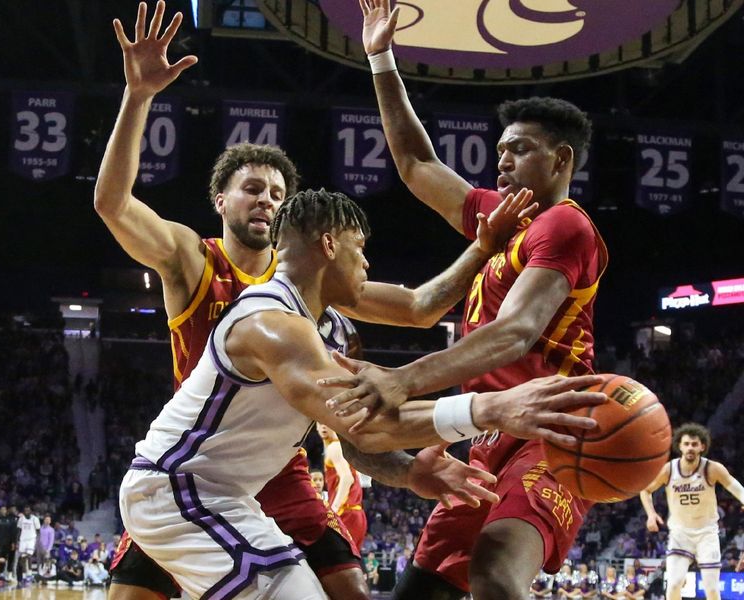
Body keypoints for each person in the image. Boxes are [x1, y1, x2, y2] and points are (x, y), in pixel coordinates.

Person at [97, 3, 549, 600]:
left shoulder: (327, 314)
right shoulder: (203, 268)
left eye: (277, 192)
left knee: (340, 590)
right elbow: (112, 204)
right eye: (252, 188)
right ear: (221, 200)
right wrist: (137, 96)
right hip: (196, 465)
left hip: (270, 467)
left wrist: (483, 248)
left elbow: (417, 309)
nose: (265, 199)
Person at [118, 188, 606, 599]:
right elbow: (366, 425)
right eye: (361, 247)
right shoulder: (270, 324)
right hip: (175, 489)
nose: (367, 261)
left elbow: (356, 439)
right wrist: (490, 408)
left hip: (225, 496)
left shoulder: (325, 329)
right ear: (329, 245)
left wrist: (411, 470)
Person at [319, 3, 608, 599]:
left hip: (547, 430)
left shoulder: (563, 226)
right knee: (420, 591)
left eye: (520, 149)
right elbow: (416, 162)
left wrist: (403, 380)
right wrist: (380, 58)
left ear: (561, 159)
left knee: (496, 577)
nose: (502, 160)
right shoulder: (496, 221)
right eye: (500, 149)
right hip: (485, 435)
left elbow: (514, 332)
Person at [640, 423, 744, 600]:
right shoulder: (668, 469)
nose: (690, 448)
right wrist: (651, 514)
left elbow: (737, 488)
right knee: (673, 585)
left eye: (694, 444)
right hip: (680, 534)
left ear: (702, 447)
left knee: (712, 590)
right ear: (679, 446)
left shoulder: (712, 468)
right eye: (686, 444)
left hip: (707, 534)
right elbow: (645, 490)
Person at [317, 422, 368, 550]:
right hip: (355, 513)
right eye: (319, 423)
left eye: (326, 422)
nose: (323, 426)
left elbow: (347, 478)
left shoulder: (334, 447)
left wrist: (333, 508)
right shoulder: (340, 447)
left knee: (335, 561)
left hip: (345, 511)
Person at [11, 506, 39, 582]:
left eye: (28, 510)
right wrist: (17, 541)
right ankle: (24, 575)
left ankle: (29, 574)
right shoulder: (21, 519)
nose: (26, 512)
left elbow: (38, 531)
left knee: (29, 556)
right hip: (23, 540)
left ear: (31, 511)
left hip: (31, 540)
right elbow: (19, 531)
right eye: (25, 511)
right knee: (22, 558)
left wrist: (37, 542)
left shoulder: (35, 519)